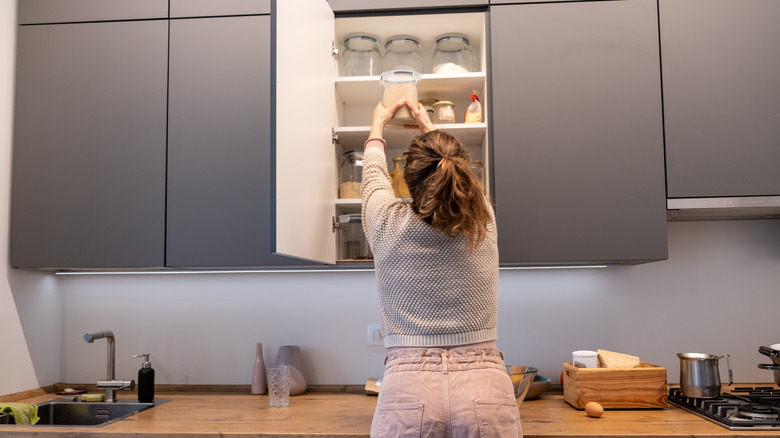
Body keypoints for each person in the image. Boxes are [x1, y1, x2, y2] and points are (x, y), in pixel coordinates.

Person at [361, 98, 522, 437]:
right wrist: (427, 124)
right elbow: (457, 172)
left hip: (408, 388)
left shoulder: (384, 222)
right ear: (463, 173)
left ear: (407, 178)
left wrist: (377, 125)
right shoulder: (483, 219)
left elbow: (373, 176)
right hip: (486, 389)